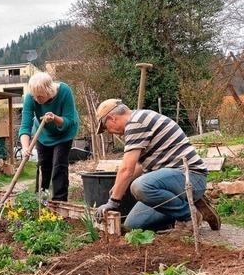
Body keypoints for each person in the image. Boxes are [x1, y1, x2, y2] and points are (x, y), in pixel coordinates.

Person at [94, 99, 221, 231]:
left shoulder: (136, 123)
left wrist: (113, 202)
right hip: (173, 182)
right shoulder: (139, 119)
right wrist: (118, 187)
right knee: (133, 226)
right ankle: (191, 203)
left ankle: (189, 216)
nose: (108, 131)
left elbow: (127, 168)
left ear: (111, 118)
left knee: (140, 186)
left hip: (191, 178)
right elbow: (139, 165)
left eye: (105, 127)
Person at [19, 72, 80, 201]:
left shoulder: (64, 91)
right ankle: (41, 201)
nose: (36, 99)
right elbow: (25, 125)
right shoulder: (31, 97)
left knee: (59, 166)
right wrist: (25, 147)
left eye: (39, 96)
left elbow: (69, 120)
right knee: (43, 166)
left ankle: (60, 202)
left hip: (64, 133)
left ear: (49, 91)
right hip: (43, 133)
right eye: (34, 96)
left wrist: (54, 118)